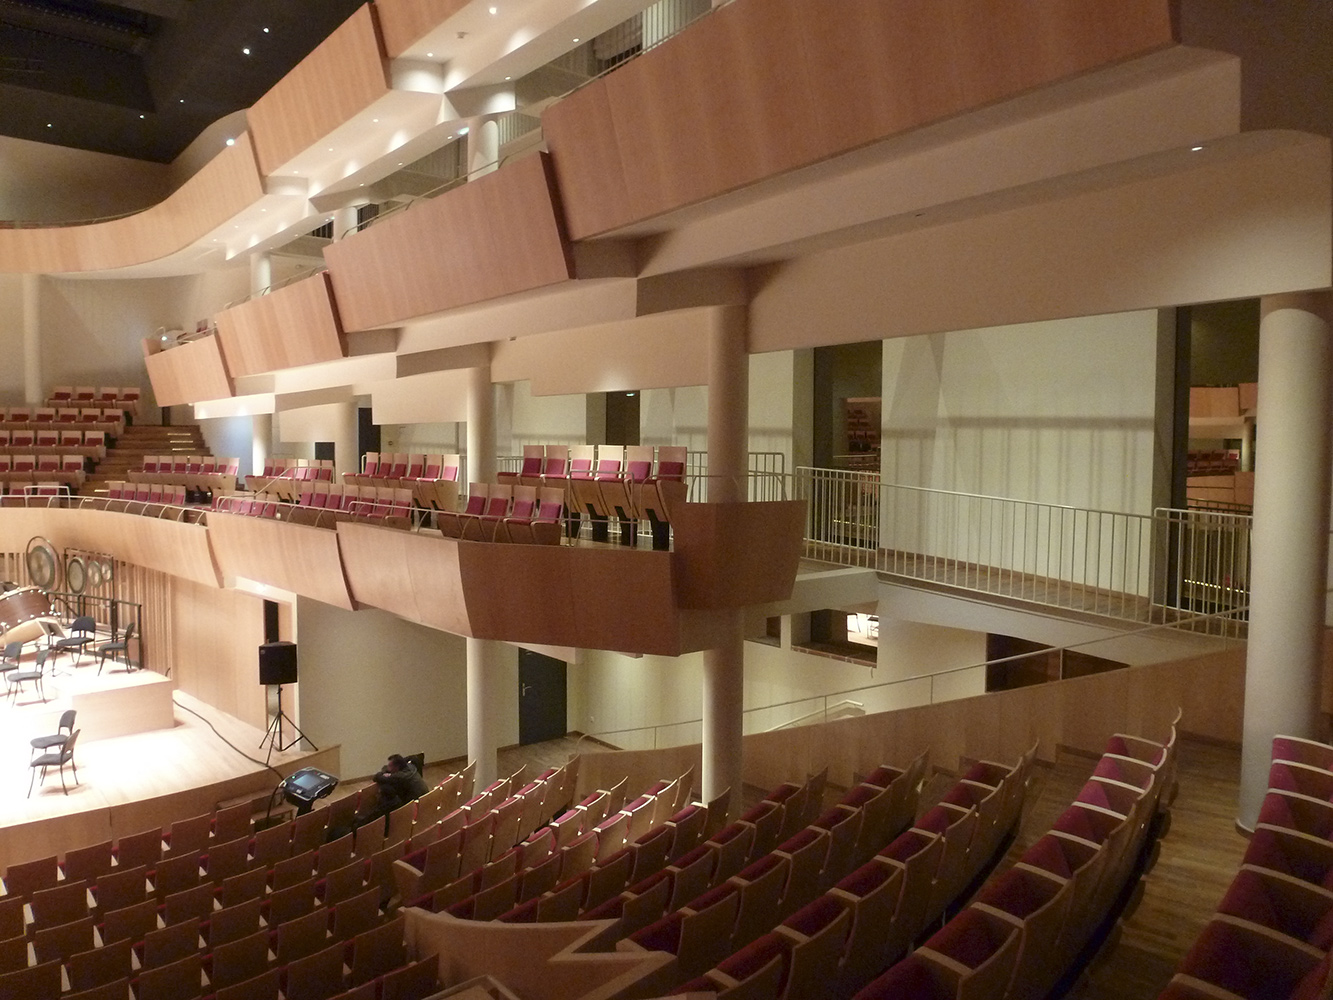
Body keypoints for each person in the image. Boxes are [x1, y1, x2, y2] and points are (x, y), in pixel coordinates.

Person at [327, 753, 429, 842]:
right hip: (424, 796)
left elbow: (377, 777)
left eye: (390, 765)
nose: (387, 766)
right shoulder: (411, 767)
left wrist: (386, 774)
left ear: (397, 768)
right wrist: (388, 771)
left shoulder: (399, 777)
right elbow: (392, 765)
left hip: (416, 800)